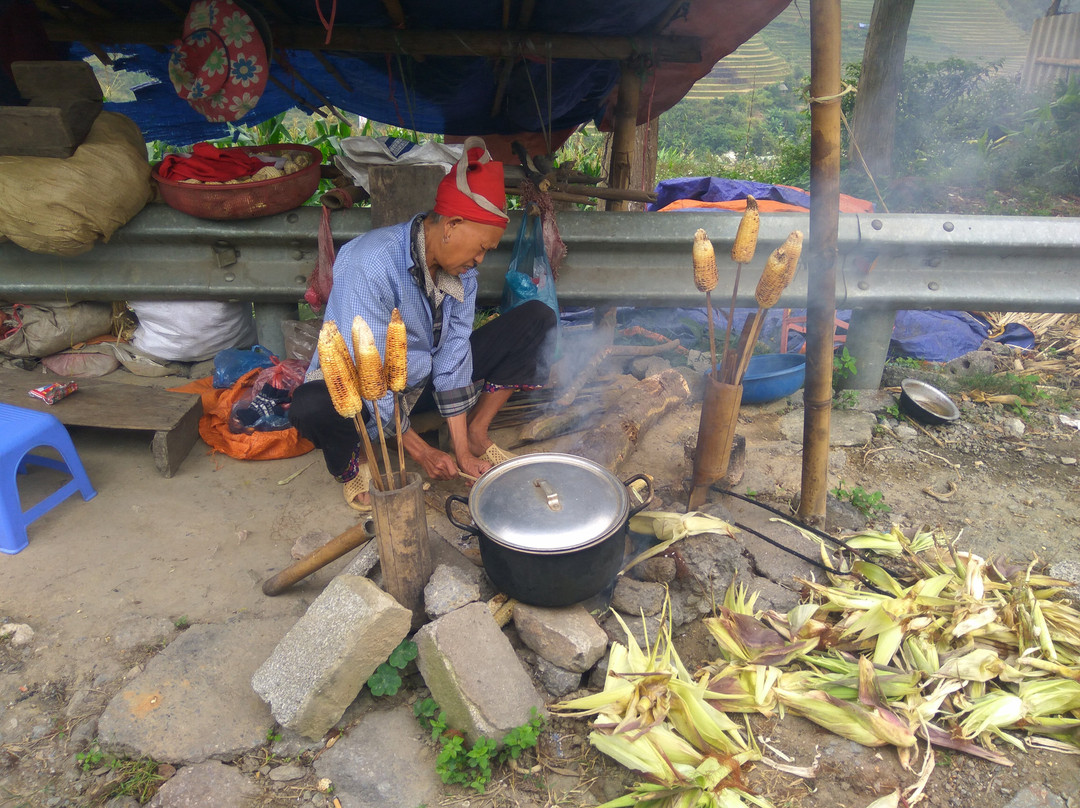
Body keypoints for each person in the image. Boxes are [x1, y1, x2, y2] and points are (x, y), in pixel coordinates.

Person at [289, 137, 557, 512]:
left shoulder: (462, 274)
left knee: (537, 319)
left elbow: (454, 353)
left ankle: (476, 435)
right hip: (363, 386)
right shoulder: (370, 263)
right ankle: (357, 462)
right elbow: (372, 374)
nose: (480, 259)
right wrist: (422, 451)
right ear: (452, 225)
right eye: (480, 247)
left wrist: (460, 451)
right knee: (311, 405)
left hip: (419, 379)